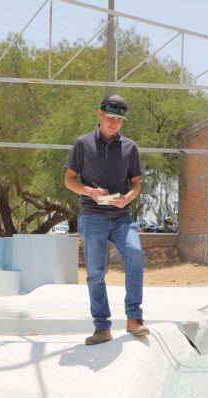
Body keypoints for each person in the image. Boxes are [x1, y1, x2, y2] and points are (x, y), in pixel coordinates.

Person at [64, 94, 147, 345]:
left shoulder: (130, 147)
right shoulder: (82, 144)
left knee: (135, 254)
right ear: (100, 114)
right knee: (95, 273)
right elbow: (69, 180)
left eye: (120, 120)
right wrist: (90, 192)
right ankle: (102, 327)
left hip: (122, 217)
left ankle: (134, 318)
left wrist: (128, 199)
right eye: (111, 118)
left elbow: (136, 184)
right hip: (92, 217)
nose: (115, 124)